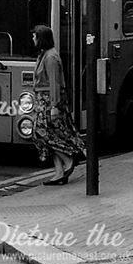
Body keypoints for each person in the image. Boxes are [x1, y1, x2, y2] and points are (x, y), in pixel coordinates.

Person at [31, 25, 85, 185]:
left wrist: (54, 106)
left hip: (49, 101)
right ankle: (60, 173)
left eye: (34, 36)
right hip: (42, 99)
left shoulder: (51, 57)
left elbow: (54, 83)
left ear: (42, 38)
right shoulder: (44, 55)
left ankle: (68, 160)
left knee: (41, 132)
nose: (32, 39)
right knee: (51, 135)